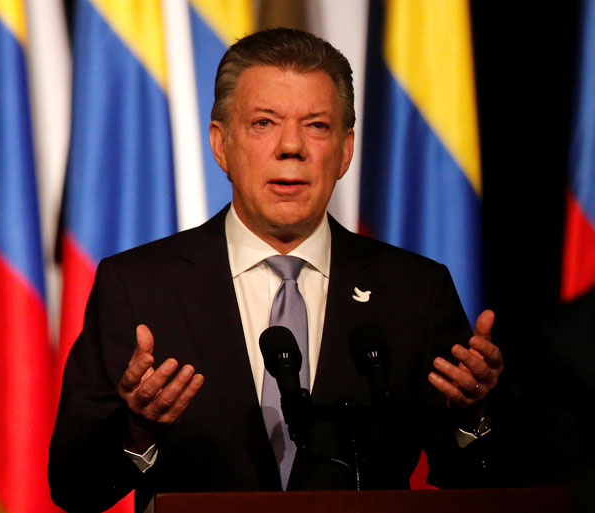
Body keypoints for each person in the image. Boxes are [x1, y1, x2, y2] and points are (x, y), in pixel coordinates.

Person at [48, 28, 504, 513]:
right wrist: (138, 431)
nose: (292, 147)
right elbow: (74, 488)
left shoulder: (415, 290)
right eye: (264, 123)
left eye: (316, 126)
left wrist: (471, 417)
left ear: (345, 151)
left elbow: (484, 487)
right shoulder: (139, 287)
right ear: (221, 145)